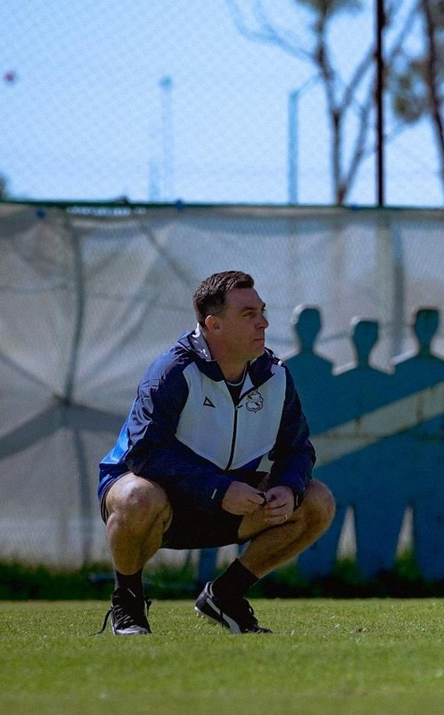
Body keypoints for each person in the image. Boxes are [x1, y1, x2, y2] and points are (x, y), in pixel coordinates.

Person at [97, 270, 335, 635]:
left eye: (262, 311)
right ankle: (127, 602)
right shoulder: (173, 371)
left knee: (317, 501)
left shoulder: (276, 375)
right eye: (248, 314)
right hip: (164, 501)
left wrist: (288, 487)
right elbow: (145, 452)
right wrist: (218, 489)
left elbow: (297, 448)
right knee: (137, 495)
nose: (263, 323)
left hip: (229, 503)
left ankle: (226, 595)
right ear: (214, 324)